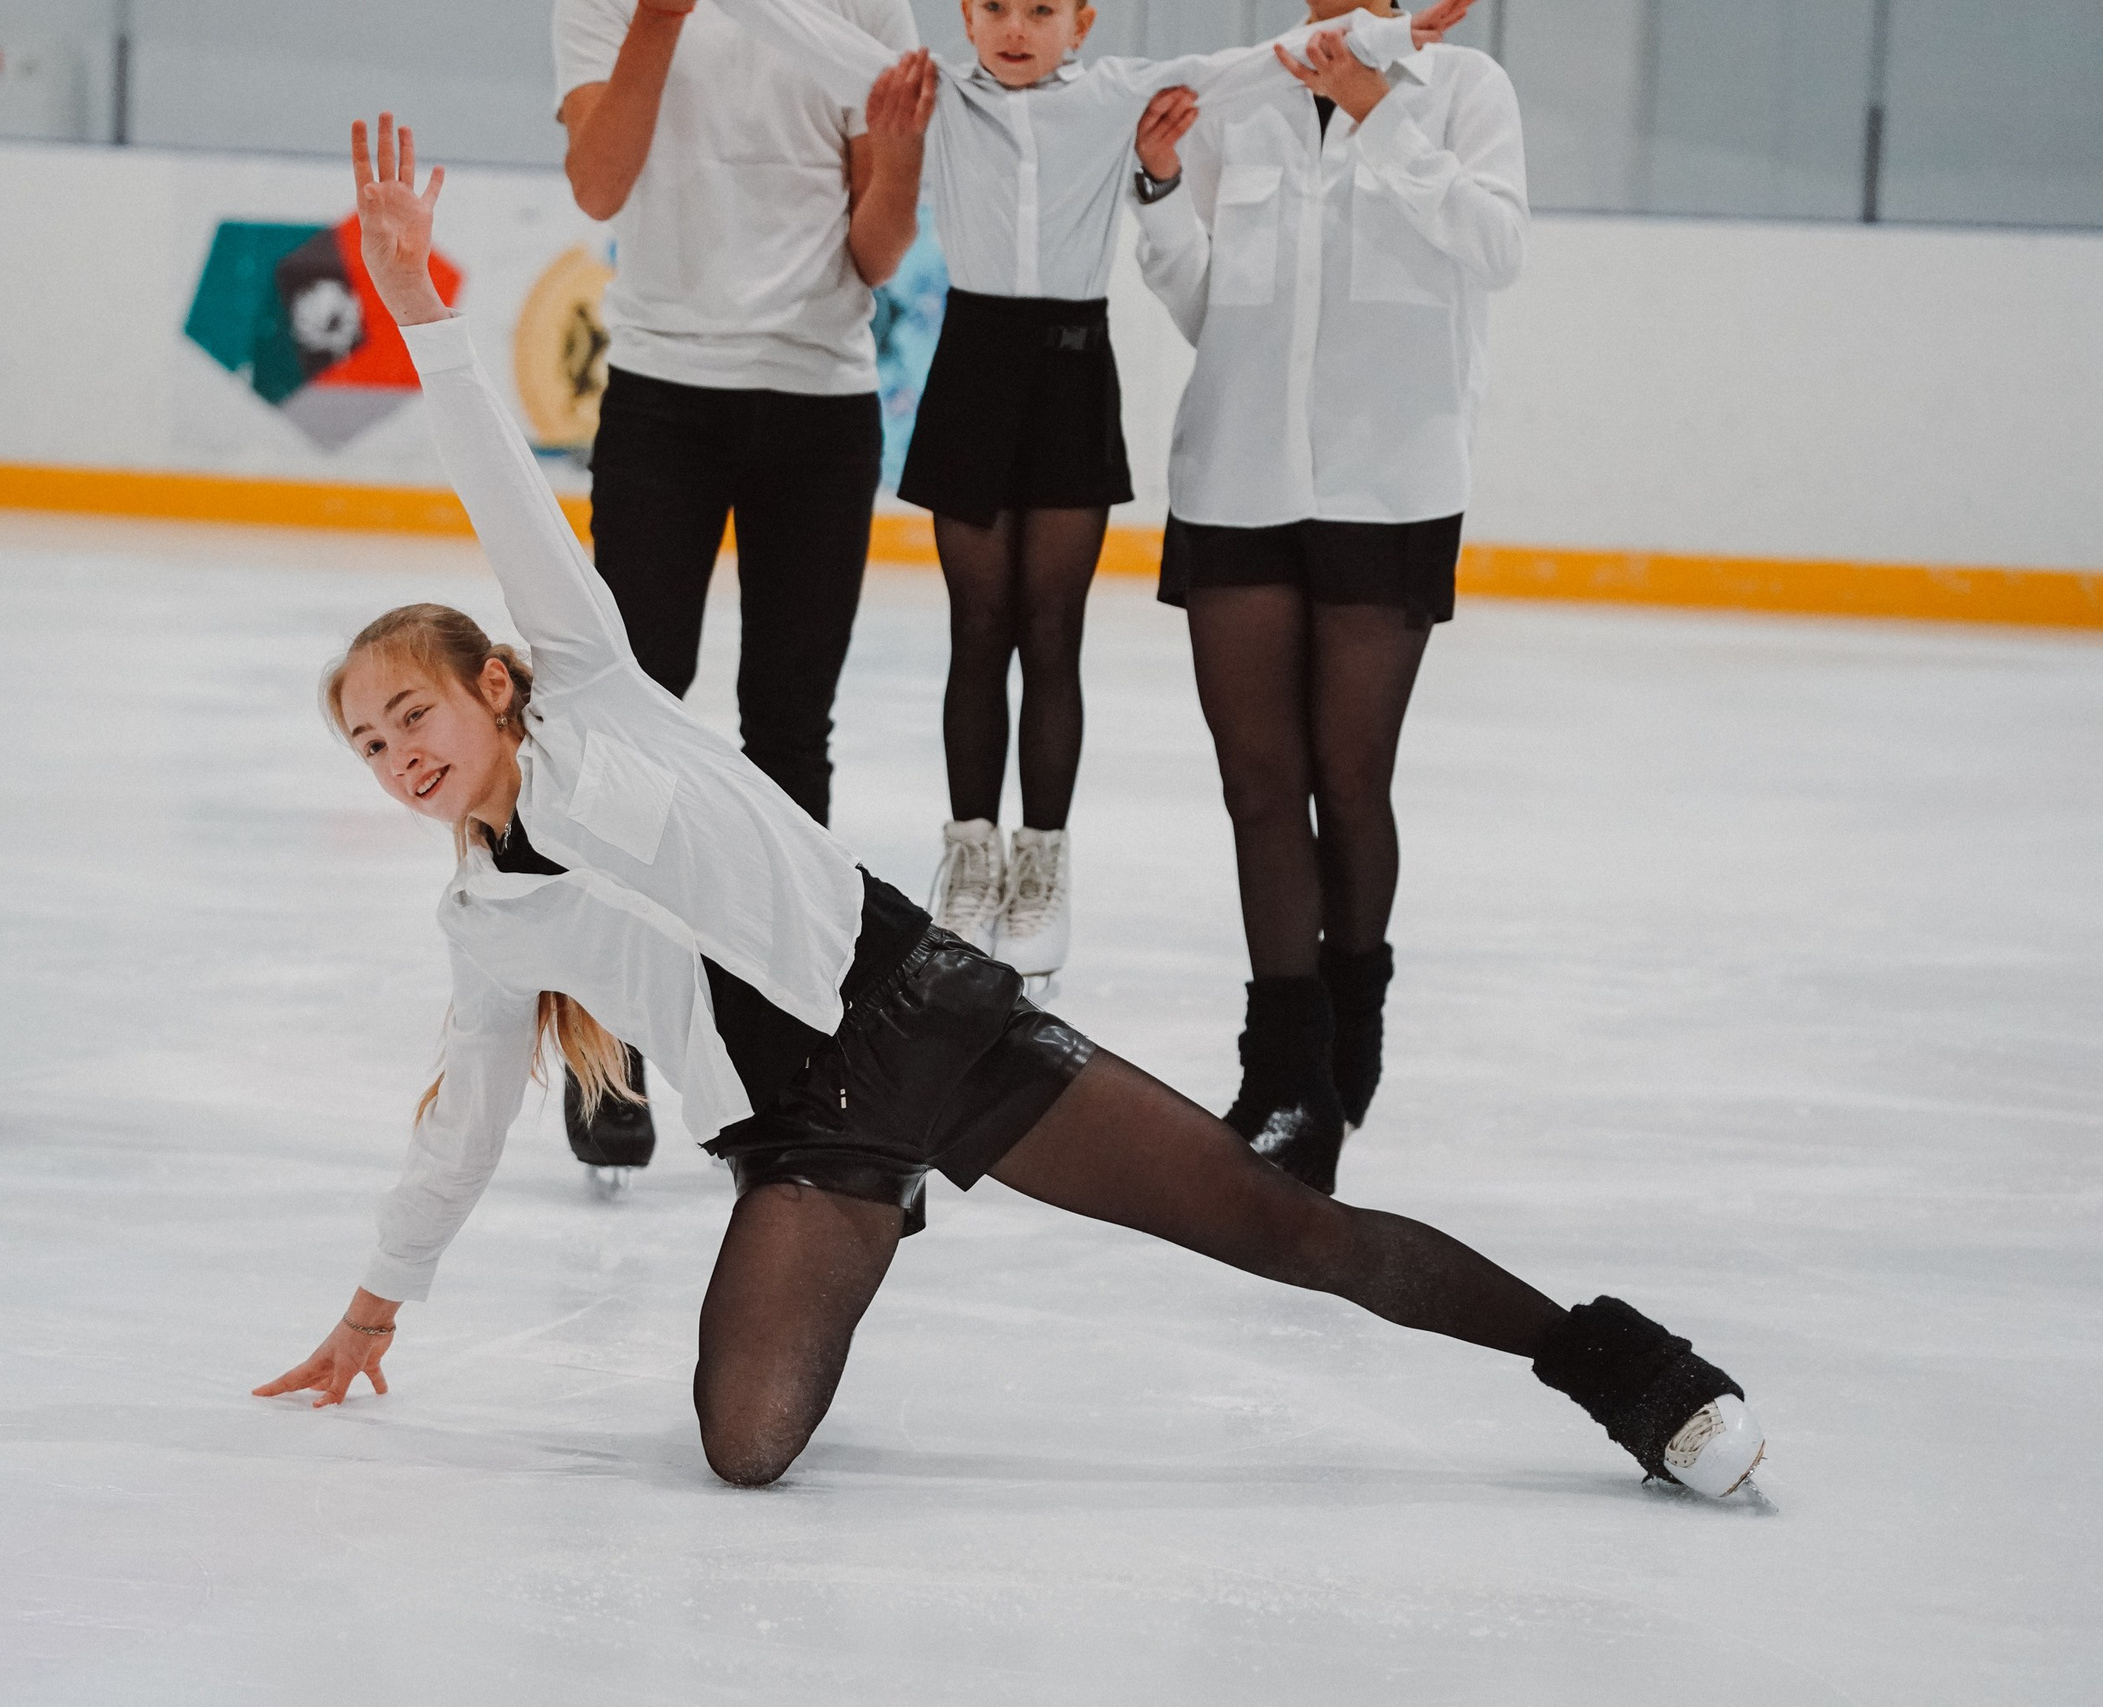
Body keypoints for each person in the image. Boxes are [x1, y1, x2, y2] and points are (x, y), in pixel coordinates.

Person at [252, 121, 1769, 1508]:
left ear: (497, 686)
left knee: (1281, 1224)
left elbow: (496, 486)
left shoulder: (592, 687)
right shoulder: (486, 917)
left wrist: (423, 314)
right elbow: (460, 1116)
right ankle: (874, 1204)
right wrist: (379, 1300)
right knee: (745, 1444)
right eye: (372, 747)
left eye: (414, 714)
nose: (400, 755)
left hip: (925, 1013)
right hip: (801, 1135)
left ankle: (1619, 1364)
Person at [703, 0, 1467, 987]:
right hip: (973, 373)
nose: (1015, 29)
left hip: (1068, 375)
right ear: (966, 18)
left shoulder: (1116, 96)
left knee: (1050, 631)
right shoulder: (927, 85)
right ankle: (973, 854)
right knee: (977, 627)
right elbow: (805, 36)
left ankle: (1044, 863)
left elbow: (1262, 61)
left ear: (1082, 23)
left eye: (1041, 11)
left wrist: (1384, 37)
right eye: (994, 9)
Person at [1123, 4, 1528, 1194]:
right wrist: (1155, 190)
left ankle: (1354, 1004)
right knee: (1256, 784)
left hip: (1388, 481)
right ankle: (1282, 1068)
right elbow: (1206, 304)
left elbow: (1495, 248)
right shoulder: (1236, 97)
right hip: (1238, 472)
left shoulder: (1462, 89)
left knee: (1348, 781)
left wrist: (1378, 111)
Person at [544, 0, 920, 1187]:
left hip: (820, 398)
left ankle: (782, 1034)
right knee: (631, 724)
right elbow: (598, 186)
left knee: (789, 731)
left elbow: (875, 253)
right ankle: (608, 1043)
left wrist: (902, 149)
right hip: (664, 392)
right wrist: (659, 19)